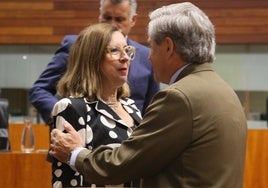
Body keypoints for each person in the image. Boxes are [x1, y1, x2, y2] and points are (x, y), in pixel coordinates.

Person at [50, 2, 248, 187]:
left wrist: (75, 154)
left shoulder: (178, 98)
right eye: (114, 51)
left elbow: (125, 163)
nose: (148, 57)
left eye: (152, 47)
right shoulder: (227, 93)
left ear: (169, 47)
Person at [29, 0, 159, 125]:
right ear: (100, 14)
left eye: (119, 19)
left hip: (130, 141)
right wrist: (63, 116)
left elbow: (151, 110)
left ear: (133, 20)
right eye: (107, 17)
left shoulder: (146, 56)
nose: (112, 24)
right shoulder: (76, 46)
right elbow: (40, 89)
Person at [50, 23, 142, 187]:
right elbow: (66, 180)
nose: (125, 57)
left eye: (127, 50)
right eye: (114, 51)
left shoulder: (131, 107)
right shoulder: (72, 107)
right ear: (92, 58)